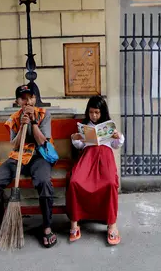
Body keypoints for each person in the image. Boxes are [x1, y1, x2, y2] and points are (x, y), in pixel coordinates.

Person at [0, 85, 57, 248]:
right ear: (18, 101)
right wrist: (22, 126)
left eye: (31, 97)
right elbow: (14, 144)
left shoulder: (44, 114)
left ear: (35, 99)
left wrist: (33, 122)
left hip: (39, 157)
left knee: (44, 183)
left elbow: (43, 141)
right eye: (23, 98)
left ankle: (47, 227)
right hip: (18, 157)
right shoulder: (14, 118)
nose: (27, 101)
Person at [67, 96, 125, 245]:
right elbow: (79, 145)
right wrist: (75, 137)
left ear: (102, 112)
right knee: (74, 181)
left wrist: (118, 137)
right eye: (91, 112)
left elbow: (117, 144)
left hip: (105, 157)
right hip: (88, 157)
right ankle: (74, 223)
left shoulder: (108, 126)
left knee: (111, 183)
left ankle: (112, 224)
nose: (94, 115)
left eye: (97, 112)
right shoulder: (86, 126)